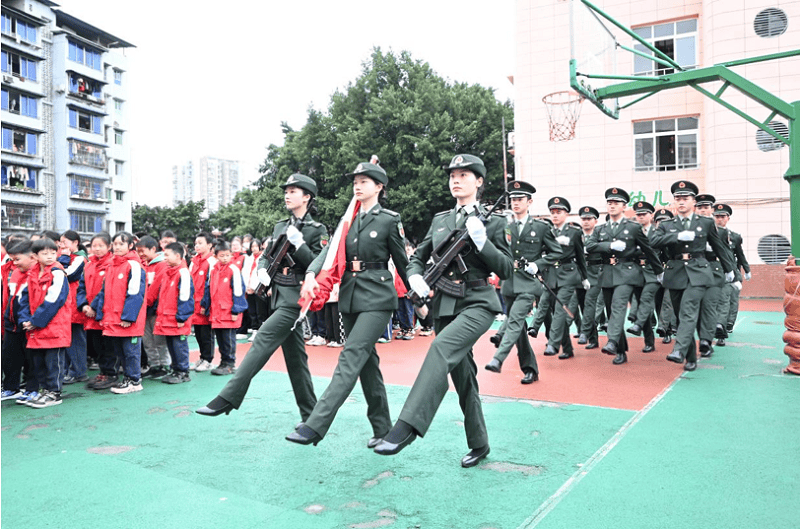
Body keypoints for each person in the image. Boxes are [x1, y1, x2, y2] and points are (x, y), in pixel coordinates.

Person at [373, 154, 512, 468]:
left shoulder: (495, 221)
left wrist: (483, 242)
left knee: (439, 348)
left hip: (478, 302)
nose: (456, 180)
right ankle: (479, 443)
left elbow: (506, 269)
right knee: (464, 379)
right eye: (453, 174)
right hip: (445, 305)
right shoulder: (440, 220)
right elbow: (417, 258)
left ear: (479, 181)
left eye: (464, 174)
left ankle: (407, 426)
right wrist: (415, 276)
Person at [286, 161, 409, 447]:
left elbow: (403, 262)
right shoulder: (348, 221)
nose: (357, 185)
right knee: (367, 365)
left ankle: (316, 424)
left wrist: (419, 296)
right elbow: (329, 253)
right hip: (351, 295)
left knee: (351, 356)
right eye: (355, 181)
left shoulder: (389, 219)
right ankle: (382, 429)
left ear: (379, 187)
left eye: (365, 181)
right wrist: (311, 273)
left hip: (378, 297)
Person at [196, 174, 326, 420]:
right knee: (296, 361)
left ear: (307, 197)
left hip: (296, 299)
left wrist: (300, 245)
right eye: (286, 191)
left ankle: (228, 397)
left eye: (294, 191)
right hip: (278, 293)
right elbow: (267, 254)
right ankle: (312, 417)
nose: (287, 194)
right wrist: (262, 271)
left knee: (263, 338)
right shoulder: (280, 226)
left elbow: (318, 264)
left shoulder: (317, 230)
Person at [650, 181, 735, 371]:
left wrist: (730, 270)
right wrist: (676, 237)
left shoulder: (705, 223)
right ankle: (690, 357)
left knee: (688, 310)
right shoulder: (667, 224)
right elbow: (653, 242)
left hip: (699, 271)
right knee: (681, 317)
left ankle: (678, 350)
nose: (681, 202)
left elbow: (719, 247)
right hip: (675, 272)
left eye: (685, 198)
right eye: (677, 199)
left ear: (693, 201)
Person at [485, 180, 559, 382]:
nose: (516, 203)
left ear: (529, 201)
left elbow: (557, 251)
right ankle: (530, 369)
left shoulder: (541, 227)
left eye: (520, 199)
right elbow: (495, 251)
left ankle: (498, 359)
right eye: (513, 199)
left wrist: (539, 264)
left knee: (516, 319)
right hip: (509, 282)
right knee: (519, 331)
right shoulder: (504, 226)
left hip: (529, 283)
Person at [585, 188, 662, 365]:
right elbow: (590, 246)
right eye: (609, 203)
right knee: (612, 312)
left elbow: (649, 251)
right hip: (608, 274)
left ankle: (619, 341)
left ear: (624, 206)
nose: (612, 206)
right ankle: (620, 350)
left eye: (616, 203)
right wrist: (609, 246)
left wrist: (659, 272)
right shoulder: (601, 229)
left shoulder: (633, 227)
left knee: (620, 306)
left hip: (629, 272)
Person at [91, 232, 147, 393]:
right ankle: (127, 379)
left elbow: (136, 293)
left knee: (131, 352)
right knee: (121, 352)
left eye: (121, 244)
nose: (117, 247)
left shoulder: (134, 265)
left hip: (128, 319)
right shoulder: (111, 265)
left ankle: (135, 381)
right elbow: (104, 292)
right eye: (115, 244)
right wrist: (101, 314)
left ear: (130, 246)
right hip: (113, 318)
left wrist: (129, 317)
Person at [18, 238, 71, 408]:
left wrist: (35, 321)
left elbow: (54, 300)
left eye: (53, 253)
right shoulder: (32, 273)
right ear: (35, 256)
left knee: (53, 363)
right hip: (37, 328)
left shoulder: (57, 272)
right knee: (38, 362)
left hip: (54, 326)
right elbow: (24, 298)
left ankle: (54, 393)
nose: (50, 256)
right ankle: (45, 391)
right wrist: (25, 319)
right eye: (45, 253)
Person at [541, 197, 588, 359]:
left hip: (568, 275)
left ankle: (553, 344)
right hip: (551, 276)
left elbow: (581, 257)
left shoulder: (574, 232)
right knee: (555, 312)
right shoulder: (546, 231)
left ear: (566, 214)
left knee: (561, 311)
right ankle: (567, 348)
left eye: (558, 212)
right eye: (552, 212)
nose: (555, 215)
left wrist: (584, 278)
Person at [694, 194, 735, 357]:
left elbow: (726, 253)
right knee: (693, 307)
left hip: (713, 270)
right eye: (700, 207)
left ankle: (706, 340)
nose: (703, 210)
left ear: (711, 209)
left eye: (706, 207)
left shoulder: (721, 231)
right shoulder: (686, 226)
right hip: (693, 270)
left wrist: (731, 272)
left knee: (710, 306)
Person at [200, 241, 248, 376]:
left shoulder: (233, 269)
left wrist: (236, 310)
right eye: (222, 256)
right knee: (220, 339)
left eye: (227, 255)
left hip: (228, 310)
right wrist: (205, 305)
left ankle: (230, 363)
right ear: (216, 256)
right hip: (217, 311)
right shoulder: (214, 270)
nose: (225, 258)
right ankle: (223, 362)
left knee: (228, 339)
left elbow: (238, 291)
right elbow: (208, 289)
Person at [77, 233, 116, 390]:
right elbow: (81, 287)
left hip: (104, 312)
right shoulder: (88, 265)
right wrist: (83, 305)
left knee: (108, 346)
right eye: (94, 246)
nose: (97, 249)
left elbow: (107, 291)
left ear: (108, 247)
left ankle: (111, 374)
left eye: (101, 246)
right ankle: (103, 372)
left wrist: (94, 306)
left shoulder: (112, 264)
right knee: (96, 345)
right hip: (90, 314)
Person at [154, 242, 195, 384]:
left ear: (177, 256)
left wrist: (182, 317)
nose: (164, 258)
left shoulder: (182, 273)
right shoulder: (168, 272)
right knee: (172, 344)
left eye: (167, 255)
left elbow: (185, 297)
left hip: (178, 318)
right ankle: (176, 369)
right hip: (168, 318)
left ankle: (183, 372)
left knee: (179, 345)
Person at [626, 201, 660, 353]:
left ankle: (638, 325)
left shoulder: (658, 231)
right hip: (637, 272)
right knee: (642, 305)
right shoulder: (632, 232)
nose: (640, 217)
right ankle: (649, 341)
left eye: (643, 214)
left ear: (651, 216)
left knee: (647, 299)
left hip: (654, 272)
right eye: (638, 214)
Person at [713, 204, 750, 342]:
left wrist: (746, 270)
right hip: (713, 271)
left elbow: (740, 255)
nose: (719, 219)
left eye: (722, 217)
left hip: (730, 272)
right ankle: (718, 324)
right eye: (716, 216)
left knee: (730, 300)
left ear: (728, 218)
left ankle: (727, 323)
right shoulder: (707, 235)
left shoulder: (734, 237)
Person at [137, 236, 171, 379]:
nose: (140, 254)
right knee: (148, 340)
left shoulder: (162, 265)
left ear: (153, 249)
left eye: (142, 251)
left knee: (159, 340)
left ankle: (165, 365)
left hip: (155, 308)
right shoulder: (144, 265)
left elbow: (156, 286)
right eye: (138, 251)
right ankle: (154, 365)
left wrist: (146, 302)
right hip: (145, 308)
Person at [3, 239, 33, 401]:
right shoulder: (15, 273)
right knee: (9, 356)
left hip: (28, 323)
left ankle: (31, 388)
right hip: (11, 322)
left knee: (30, 359)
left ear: (32, 257)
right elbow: (10, 298)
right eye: (12, 259)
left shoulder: (37, 273)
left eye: (18, 259)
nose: (15, 263)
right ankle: (10, 388)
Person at [58, 230, 89, 384]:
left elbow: (66, 274)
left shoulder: (79, 259)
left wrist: (63, 257)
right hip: (67, 303)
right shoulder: (67, 257)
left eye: (65, 242)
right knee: (68, 340)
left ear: (75, 243)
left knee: (76, 340)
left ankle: (78, 371)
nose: (61, 245)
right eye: (60, 242)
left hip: (75, 303)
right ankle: (70, 370)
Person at [189, 232, 217, 371]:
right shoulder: (194, 261)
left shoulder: (212, 261)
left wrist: (206, 304)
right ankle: (201, 357)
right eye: (196, 243)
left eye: (200, 243)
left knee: (206, 334)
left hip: (204, 304)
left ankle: (208, 359)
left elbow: (211, 284)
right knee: (198, 333)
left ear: (210, 245)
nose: (197, 246)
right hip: (194, 303)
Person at [577, 206, 602, 349]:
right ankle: (593, 339)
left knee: (589, 302)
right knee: (584, 306)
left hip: (596, 271)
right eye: (583, 219)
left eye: (589, 219)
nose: (586, 221)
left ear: (595, 220)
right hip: (581, 273)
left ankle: (584, 332)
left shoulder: (600, 234)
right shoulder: (577, 235)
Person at [652, 208, 676, 344]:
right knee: (658, 302)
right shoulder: (652, 238)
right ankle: (665, 327)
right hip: (656, 273)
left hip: (671, 273)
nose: (661, 223)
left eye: (665, 221)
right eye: (659, 221)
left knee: (669, 301)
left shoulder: (672, 237)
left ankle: (667, 329)